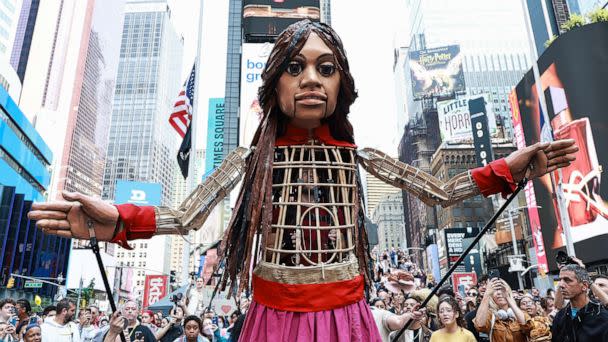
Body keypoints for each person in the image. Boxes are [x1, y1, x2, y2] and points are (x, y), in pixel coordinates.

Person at [29, 19, 578, 341]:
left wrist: (512, 166)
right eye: (295, 67)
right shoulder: (251, 158)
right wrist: (115, 220)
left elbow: (439, 189)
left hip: (347, 316)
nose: (311, 80)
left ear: (342, 83)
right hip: (272, 318)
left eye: (325, 67)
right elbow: (186, 215)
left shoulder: (357, 155)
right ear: (274, 84)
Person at [551, 264, 608, 341]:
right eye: (560, 280)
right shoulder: (560, 317)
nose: (561, 285)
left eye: (567, 280)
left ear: (584, 286)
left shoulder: (602, 317)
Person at [473, 278, 531, 342]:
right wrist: (487, 294)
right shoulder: (490, 316)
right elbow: (479, 325)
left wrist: (508, 297)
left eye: (501, 289)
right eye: (495, 290)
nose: (499, 293)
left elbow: (527, 326)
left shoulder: (519, 313)